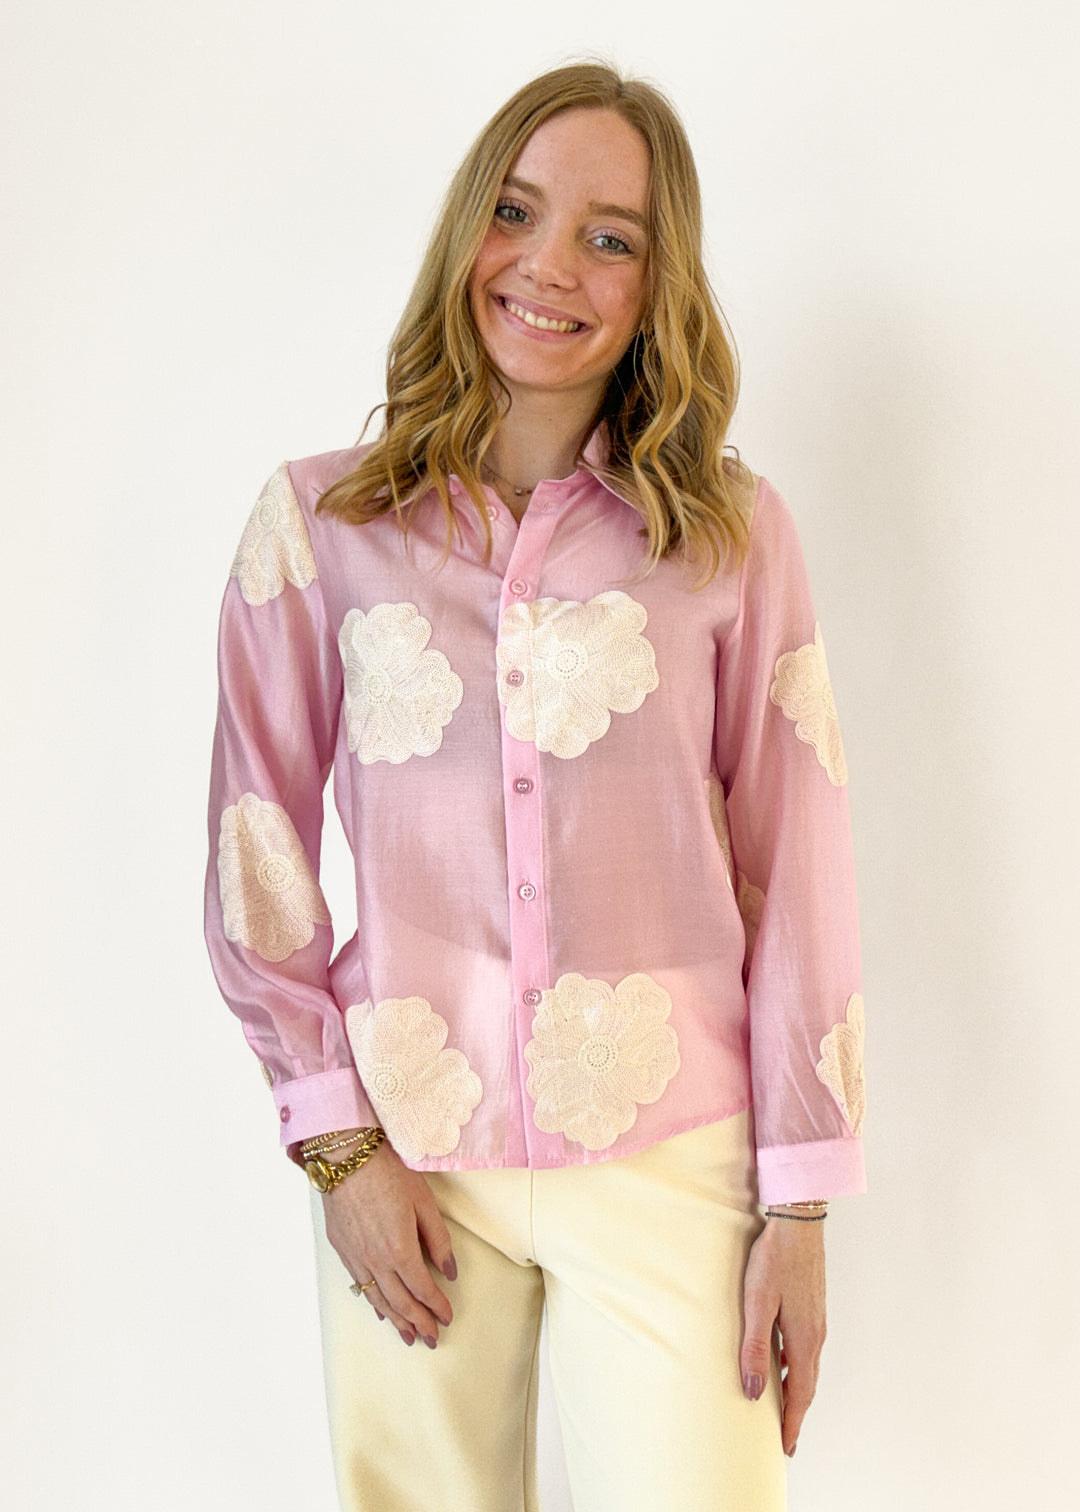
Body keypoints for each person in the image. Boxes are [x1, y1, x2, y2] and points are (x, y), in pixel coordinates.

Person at [204, 60, 866, 1512]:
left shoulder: (734, 538)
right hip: (409, 1159)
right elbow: (258, 852)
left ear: (656, 280)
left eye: (610, 236)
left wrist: (801, 1203)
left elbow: (794, 862)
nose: (550, 265)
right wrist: (341, 1152)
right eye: (517, 211)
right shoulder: (321, 524)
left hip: (673, 1153)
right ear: (466, 235)